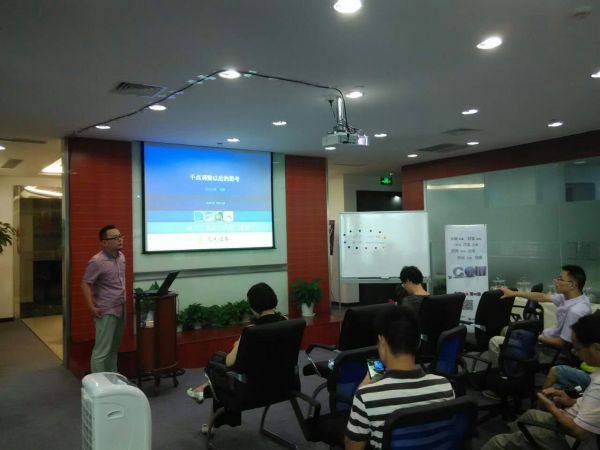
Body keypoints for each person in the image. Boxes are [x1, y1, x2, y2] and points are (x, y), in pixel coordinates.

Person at [482, 311, 600, 449]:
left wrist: (551, 408)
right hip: (573, 418)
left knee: (497, 443)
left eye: (577, 349)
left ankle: (516, 441)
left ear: (596, 348)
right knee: (530, 415)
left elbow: (580, 432)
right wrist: (572, 400)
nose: (576, 354)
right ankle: (520, 440)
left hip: (569, 438)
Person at [345, 305, 455, 450]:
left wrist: (362, 389)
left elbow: (352, 447)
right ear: (418, 342)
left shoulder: (366, 396)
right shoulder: (445, 386)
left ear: (382, 342)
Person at [186, 282, 285, 403]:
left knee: (218, 360)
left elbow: (229, 362)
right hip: (283, 381)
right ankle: (203, 388)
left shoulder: (251, 331)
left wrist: (238, 345)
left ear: (254, 306)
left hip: (254, 387)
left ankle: (204, 389)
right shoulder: (287, 323)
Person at [488, 265, 591, 368]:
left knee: (495, 341)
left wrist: (537, 337)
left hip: (549, 351)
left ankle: (503, 373)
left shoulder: (575, 311)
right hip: (546, 338)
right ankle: (512, 365)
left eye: (560, 279)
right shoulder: (574, 298)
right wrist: (513, 293)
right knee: (506, 330)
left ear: (572, 285)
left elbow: (561, 343)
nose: (556, 282)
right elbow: (542, 297)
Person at [81, 225, 126, 373]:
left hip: (121, 308)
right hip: (106, 311)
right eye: (115, 238)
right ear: (104, 242)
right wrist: (91, 307)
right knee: (101, 352)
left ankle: (112, 380)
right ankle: (99, 384)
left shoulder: (121, 257)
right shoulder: (97, 261)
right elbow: (85, 283)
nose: (120, 240)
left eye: (120, 236)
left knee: (113, 349)